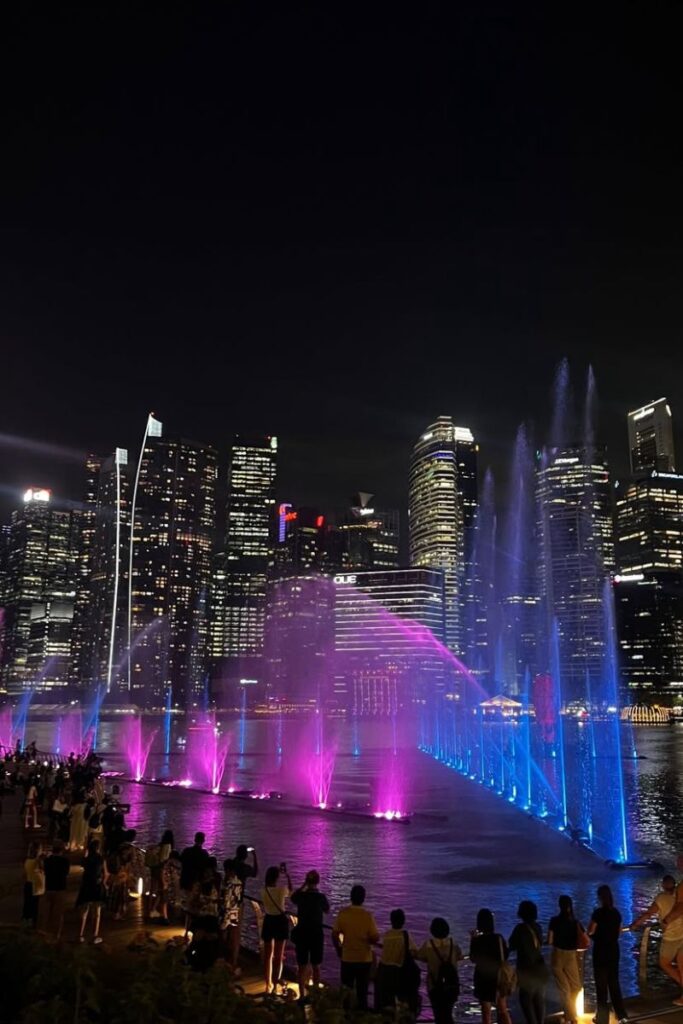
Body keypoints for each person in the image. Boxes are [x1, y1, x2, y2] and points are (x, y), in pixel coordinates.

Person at [632, 873, 683, 1002]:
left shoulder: (661, 898)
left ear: (663, 886)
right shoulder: (679, 897)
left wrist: (634, 925)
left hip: (671, 938)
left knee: (664, 963)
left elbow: (648, 914)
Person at [332, 885, 380, 1011]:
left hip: (347, 958)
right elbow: (375, 937)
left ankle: (346, 1016)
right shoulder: (368, 916)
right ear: (363, 898)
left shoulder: (343, 914)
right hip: (364, 959)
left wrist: (338, 949)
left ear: (351, 897)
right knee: (362, 993)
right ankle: (360, 1016)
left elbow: (334, 934)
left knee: (346, 992)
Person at [588, 884, 627, 1024]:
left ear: (600, 897)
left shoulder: (597, 913)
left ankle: (602, 1018)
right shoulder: (616, 913)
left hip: (600, 951)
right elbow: (619, 932)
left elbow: (590, 931)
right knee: (614, 983)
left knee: (601, 986)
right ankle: (622, 1015)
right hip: (613, 950)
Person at [416, 916, 463, 1024]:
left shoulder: (428, 945)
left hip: (435, 985)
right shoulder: (453, 944)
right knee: (448, 1013)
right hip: (451, 985)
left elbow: (420, 956)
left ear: (432, 930)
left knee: (438, 1014)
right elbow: (459, 956)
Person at [548, 896, 586, 1024]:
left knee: (564, 989)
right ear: (570, 906)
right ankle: (571, 1016)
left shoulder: (554, 921)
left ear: (559, 906)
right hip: (571, 956)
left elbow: (549, 940)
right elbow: (586, 939)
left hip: (557, 955)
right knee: (576, 986)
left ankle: (570, 1016)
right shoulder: (576, 922)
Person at [291, 870, 331, 995]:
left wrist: (303, 885)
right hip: (316, 934)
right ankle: (315, 994)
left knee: (302, 966)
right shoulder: (320, 897)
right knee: (316, 966)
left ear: (307, 882)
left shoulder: (301, 896)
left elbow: (293, 897)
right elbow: (327, 910)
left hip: (302, 933)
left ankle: (302, 994)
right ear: (318, 882)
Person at [470, 908, 512, 1024]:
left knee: (486, 1013)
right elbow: (506, 954)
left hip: (483, 978)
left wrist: (472, 940)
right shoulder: (498, 938)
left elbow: (473, 958)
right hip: (499, 976)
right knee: (503, 1010)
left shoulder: (479, 940)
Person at [509, 900, 549, 1024]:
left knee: (526, 1001)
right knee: (539, 1001)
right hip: (540, 968)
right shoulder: (538, 927)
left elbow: (511, 945)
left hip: (527, 970)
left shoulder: (520, 929)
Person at [375, 908, 420, 1014]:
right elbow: (414, 951)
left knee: (386, 1003)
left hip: (383, 970)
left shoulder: (387, 935)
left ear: (391, 921)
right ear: (403, 921)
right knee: (402, 1001)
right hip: (397, 972)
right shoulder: (405, 935)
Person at [221, 845, 258, 973]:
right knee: (236, 934)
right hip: (237, 903)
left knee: (225, 931)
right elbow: (255, 872)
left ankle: (222, 958)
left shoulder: (231, 864)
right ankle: (233, 962)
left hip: (225, 903)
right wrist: (255, 856)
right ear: (245, 856)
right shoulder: (244, 868)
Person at [261, 863, 292, 994]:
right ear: (277, 878)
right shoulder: (281, 891)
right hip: (280, 921)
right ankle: (275, 983)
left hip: (268, 920)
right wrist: (287, 875)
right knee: (279, 956)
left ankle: (268, 983)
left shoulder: (263, 891)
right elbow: (291, 891)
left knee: (268, 955)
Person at [77, 838, 108, 944]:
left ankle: (80, 935)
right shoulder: (101, 859)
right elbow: (106, 873)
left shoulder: (86, 859)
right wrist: (104, 882)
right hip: (97, 886)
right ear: (98, 848)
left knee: (84, 911)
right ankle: (95, 935)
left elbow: (82, 864)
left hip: (86, 886)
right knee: (97, 912)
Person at [180, 832, 210, 936]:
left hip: (185, 882)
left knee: (188, 908)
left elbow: (181, 863)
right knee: (196, 909)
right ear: (203, 840)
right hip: (196, 885)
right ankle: (193, 932)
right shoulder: (204, 854)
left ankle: (186, 930)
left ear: (194, 839)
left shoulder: (186, 851)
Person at [42, 839, 70, 939]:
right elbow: (66, 873)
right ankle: (56, 935)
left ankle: (44, 933)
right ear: (61, 850)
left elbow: (45, 872)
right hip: (60, 888)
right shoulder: (65, 861)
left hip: (49, 888)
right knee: (58, 914)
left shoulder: (47, 860)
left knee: (46, 913)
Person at [149, 828, 174, 921]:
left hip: (156, 870)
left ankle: (153, 910)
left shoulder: (161, 845)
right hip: (162, 872)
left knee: (160, 892)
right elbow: (163, 860)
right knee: (163, 892)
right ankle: (161, 914)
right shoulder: (168, 846)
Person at [22, 841, 45, 928]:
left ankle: (25, 921)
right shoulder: (38, 861)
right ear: (38, 850)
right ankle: (32, 924)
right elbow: (43, 870)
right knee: (34, 906)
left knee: (27, 904)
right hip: (35, 886)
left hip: (28, 884)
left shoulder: (27, 860)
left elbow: (25, 874)